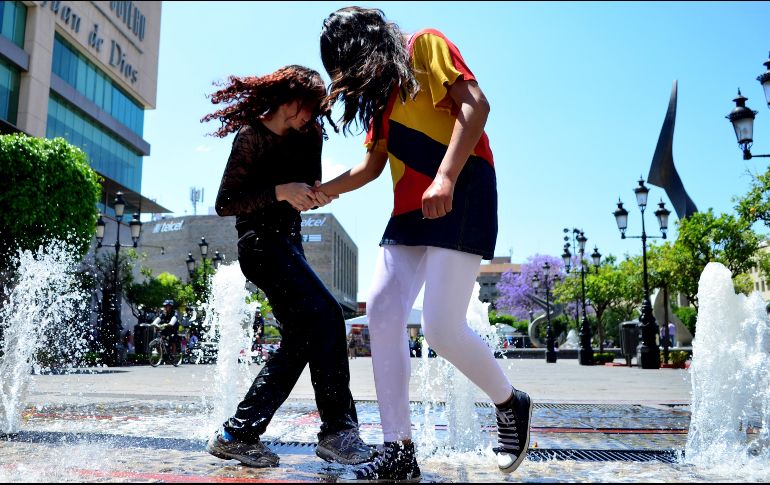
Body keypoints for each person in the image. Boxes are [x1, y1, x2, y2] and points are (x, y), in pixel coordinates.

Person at [318, 7, 532, 481]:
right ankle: (399, 450)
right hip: (408, 211)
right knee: (382, 310)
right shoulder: (380, 99)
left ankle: (510, 403)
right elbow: (371, 169)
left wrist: (446, 176)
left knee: (440, 328)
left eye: (348, 64)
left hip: (464, 188)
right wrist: (323, 191)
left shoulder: (425, 46)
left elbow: (476, 105)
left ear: (366, 46)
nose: (348, 78)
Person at [200, 65, 373, 468]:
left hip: (289, 244)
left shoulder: (309, 134)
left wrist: (313, 195)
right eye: (305, 108)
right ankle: (338, 433)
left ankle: (238, 434)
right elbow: (226, 204)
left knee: (303, 339)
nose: (308, 118)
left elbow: (308, 184)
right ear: (286, 97)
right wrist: (280, 191)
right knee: (329, 315)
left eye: (314, 112)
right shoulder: (251, 137)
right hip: (259, 246)